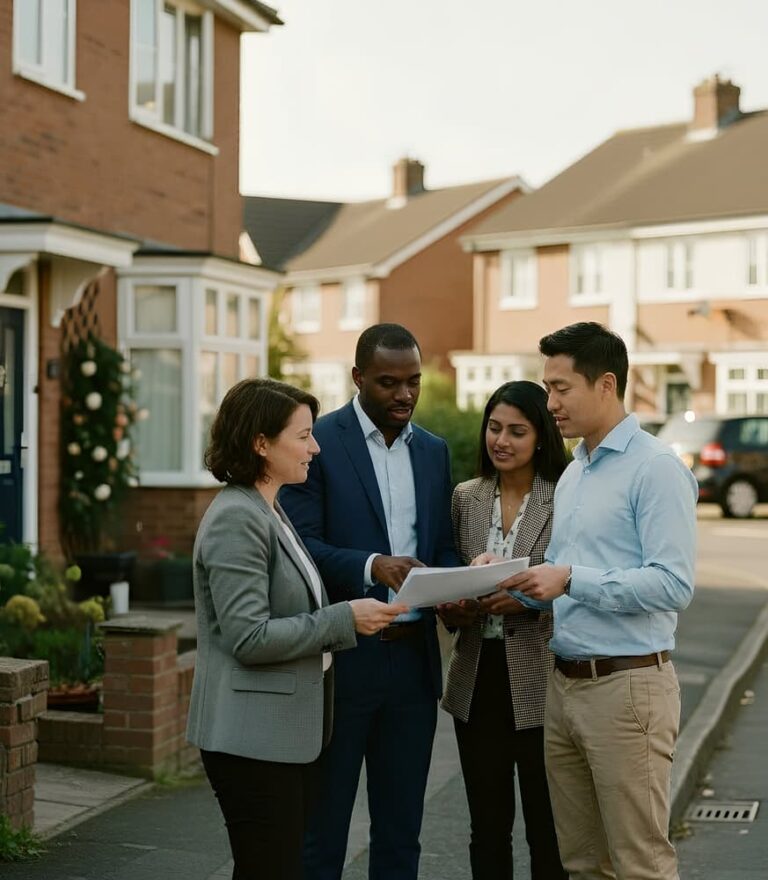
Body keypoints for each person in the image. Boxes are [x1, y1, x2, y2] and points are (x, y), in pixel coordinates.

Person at [186, 378, 405, 880]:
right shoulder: (236, 518)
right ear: (261, 444)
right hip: (251, 742)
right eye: (303, 436)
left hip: (283, 737)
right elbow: (248, 637)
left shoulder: (271, 507)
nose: (317, 446)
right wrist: (344, 619)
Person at [503, 322, 698, 880]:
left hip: (628, 689)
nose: (550, 403)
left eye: (561, 388)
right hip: (564, 688)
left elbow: (672, 584)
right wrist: (515, 579)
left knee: (640, 864)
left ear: (606, 384)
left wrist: (568, 580)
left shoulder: (655, 468)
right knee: (583, 865)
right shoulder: (576, 472)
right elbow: (565, 578)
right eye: (547, 388)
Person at [280, 323, 459, 880]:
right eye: (388, 383)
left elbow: (442, 549)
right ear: (357, 378)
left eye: (413, 382)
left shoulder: (433, 451)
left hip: (413, 665)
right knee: (323, 831)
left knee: (402, 831)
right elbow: (300, 543)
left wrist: (460, 588)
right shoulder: (319, 442)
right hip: (342, 658)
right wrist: (370, 565)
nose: (404, 395)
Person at [439, 380, 569, 880]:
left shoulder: (562, 498)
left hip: (541, 679)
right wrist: (453, 608)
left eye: (517, 431)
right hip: (477, 679)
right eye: (495, 428)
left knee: (547, 827)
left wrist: (525, 604)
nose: (502, 441)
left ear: (541, 437)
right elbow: (453, 576)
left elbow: (574, 586)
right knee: (487, 827)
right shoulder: (466, 498)